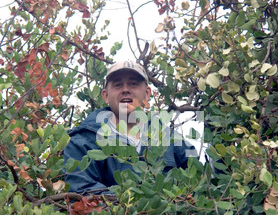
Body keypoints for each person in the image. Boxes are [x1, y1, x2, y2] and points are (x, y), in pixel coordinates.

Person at [63, 61, 197, 195]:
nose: (125, 89)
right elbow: (82, 191)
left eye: (133, 84)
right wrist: (136, 207)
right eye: (117, 85)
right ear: (105, 96)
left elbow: (198, 184)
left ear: (147, 93)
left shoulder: (171, 139)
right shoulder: (82, 141)